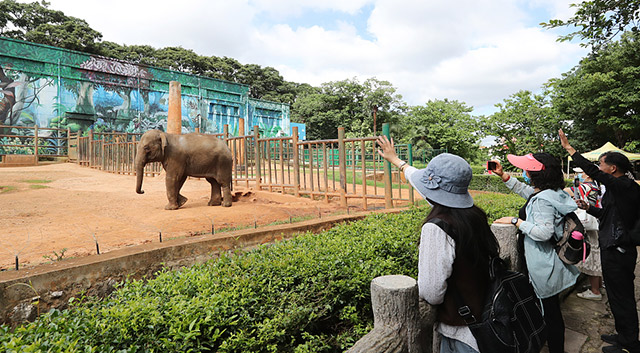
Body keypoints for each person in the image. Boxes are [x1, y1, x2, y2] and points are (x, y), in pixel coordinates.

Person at [376, 135, 500, 353]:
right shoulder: (473, 215)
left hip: (462, 335)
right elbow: (425, 186)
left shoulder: (437, 227)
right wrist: (396, 161)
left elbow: (431, 292)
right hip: (486, 320)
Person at [559, 129, 640, 353]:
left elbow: (593, 171)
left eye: (602, 164)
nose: (599, 168)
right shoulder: (618, 190)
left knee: (622, 297)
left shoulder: (624, 186)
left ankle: (631, 344)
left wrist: (569, 149)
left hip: (619, 249)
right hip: (612, 246)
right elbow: (609, 215)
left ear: (612, 168)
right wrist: (590, 209)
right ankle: (623, 336)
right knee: (615, 295)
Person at [491, 153, 580, 353]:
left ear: (536, 174)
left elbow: (543, 232)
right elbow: (530, 194)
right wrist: (504, 176)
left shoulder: (543, 200)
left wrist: (516, 221)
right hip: (551, 261)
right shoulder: (552, 193)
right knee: (550, 309)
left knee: (551, 312)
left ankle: (554, 348)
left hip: (543, 263)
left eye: (527, 169)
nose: (524, 172)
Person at [565, 167, 604, 301]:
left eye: (581, 172)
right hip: (594, 222)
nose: (579, 175)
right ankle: (598, 285)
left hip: (587, 222)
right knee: (595, 252)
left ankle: (595, 291)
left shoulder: (586, 186)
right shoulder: (595, 185)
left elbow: (566, 192)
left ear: (587, 174)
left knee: (591, 255)